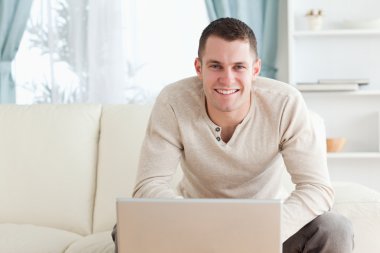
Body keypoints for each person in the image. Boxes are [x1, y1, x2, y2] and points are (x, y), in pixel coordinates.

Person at [113, 17, 354, 252]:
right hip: (193, 232)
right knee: (124, 229)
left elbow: (316, 188)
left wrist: (261, 235)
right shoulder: (173, 101)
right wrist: (193, 226)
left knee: (335, 229)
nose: (227, 79)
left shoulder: (285, 103)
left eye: (239, 66)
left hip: (267, 231)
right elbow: (148, 186)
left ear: (255, 69)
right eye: (215, 65)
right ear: (199, 67)